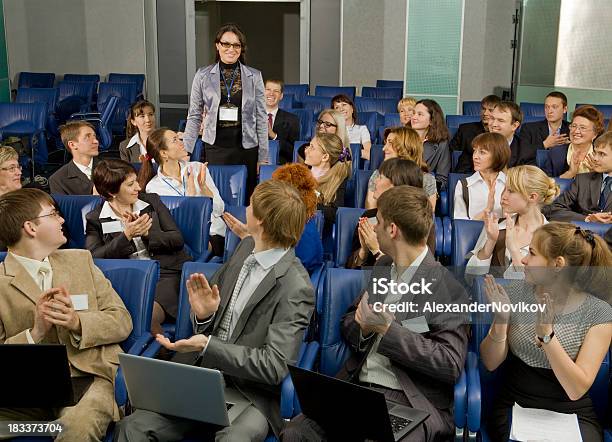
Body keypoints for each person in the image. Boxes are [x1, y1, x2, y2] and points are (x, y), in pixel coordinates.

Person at [114, 180, 315, 442]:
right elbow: (209, 312)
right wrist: (205, 315)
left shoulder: (296, 287)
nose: (245, 207)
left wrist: (209, 346)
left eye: (251, 204)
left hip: (250, 393)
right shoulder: (246, 247)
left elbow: (274, 367)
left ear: (261, 221)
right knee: (133, 427)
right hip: (201, 376)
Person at [281, 185, 469, 442]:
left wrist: (389, 330)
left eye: (378, 221)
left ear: (392, 230)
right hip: (359, 389)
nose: (374, 228)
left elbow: (450, 363)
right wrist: (365, 327)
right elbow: (349, 320)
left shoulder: (449, 288)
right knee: (295, 433)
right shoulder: (384, 265)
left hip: (409, 400)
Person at [0, 188, 132, 442]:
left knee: (74, 428)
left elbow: (122, 321)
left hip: (90, 376)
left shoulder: (81, 261)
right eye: (53, 214)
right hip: (25, 387)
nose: (62, 220)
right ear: (30, 228)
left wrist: (77, 322)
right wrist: (35, 333)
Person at [480, 222, 612, 441]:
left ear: (557, 264)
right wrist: (502, 320)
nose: (523, 260)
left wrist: (547, 337)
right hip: (517, 404)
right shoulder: (516, 292)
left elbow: (576, 389)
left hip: (573, 411)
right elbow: (490, 362)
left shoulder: (599, 314)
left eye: (531, 253)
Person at [85, 159, 192, 335]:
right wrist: (126, 236)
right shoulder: (95, 218)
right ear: (112, 192)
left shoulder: (152, 202)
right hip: (126, 279)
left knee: (146, 317)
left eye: (136, 181)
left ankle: (162, 356)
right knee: (120, 315)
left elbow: (177, 239)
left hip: (165, 274)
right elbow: (95, 257)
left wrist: (147, 234)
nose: (139, 188)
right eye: (130, 184)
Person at [182, 23, 268, 199]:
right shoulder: (202, 75)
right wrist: (186, 151)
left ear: (241, 49)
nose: (231, 49)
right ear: (217, 45)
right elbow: (194, 116)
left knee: (245, 197)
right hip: (215, 147)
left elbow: (261, 117)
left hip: (247, 147)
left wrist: (263, 157)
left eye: (236, 45)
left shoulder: (255, 76)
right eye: (226, 44)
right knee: (216, 196)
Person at [138, 127, 226, 257]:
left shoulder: (198, 168)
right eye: (175, 140)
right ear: (164, 153)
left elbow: (219, 209)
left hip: (212, 234)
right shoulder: (154, 187)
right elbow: (169, 224)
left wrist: (204, 189)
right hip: (182, 240)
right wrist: (191, 200)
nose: (181, 142)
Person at [223, 163, 324, 274]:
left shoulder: (293, 226)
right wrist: (247, 235)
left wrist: (248, 236)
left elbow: (270, 264)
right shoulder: (297, 216)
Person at [466, 165, 559, 279]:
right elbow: (470, 279)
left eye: (511, 191)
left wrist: (514, 251)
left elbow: (534, 290)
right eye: (504, 189)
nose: (503, 196)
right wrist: (490, 242)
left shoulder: (551, 239)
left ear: (532, 197)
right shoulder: (496, 225)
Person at [346, 158, 435, 268]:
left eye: (380, 177)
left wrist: (376, 250)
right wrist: (364, 250)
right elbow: (350, 269)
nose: (375, 181)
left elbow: (419, 274)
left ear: (394, 186)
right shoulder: (369, 216)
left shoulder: (420, 222)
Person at [544, 131, 612, 223]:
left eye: (602, 154)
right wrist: (587, 219)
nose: (595, 158)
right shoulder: (582, 180)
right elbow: (552, 210)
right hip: (582, 234)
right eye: (595, 152)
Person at [365, 126, 437, 210]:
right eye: (386, 143)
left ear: (406, 148)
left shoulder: (427, 180)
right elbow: (371, 214)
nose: (384, 148)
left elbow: (427, 218)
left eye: (390, 143)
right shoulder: (378, 175)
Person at [453, 132, 510, 220]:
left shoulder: (510, 183)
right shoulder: (464, 185)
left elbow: (515, 219)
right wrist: (487, 211)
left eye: (482, 152)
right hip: (474, 233)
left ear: (498, 155)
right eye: (474, 151)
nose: (475, 156)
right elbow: (460, 223)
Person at [304, 132, 352, 234]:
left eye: (312, 147)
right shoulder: (299, 173)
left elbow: (334, 213)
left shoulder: (338, 181)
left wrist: (305, 202)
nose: (306, 150)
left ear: (325, 157)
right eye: (308, 146)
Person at [544, 105, 605, 178]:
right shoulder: (555, 153)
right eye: (574, 126)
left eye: (583, 128)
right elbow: (545, 185)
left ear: (595, 134)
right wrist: (570, 173)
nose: (576, 131)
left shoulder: (603, 155)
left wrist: (596, 174)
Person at [453, 95, 502, 174]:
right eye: (483, 109)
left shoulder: (501, 133)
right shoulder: (465, 129)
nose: (485, 113)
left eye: (490, 110)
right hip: (467, 173)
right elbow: (452, 154)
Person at [410, 99, 451, 190]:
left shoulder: (441, 144)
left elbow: (442, 180)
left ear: (432, 121)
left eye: (420, 114)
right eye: (413, 113)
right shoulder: (401, 137)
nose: (414, 117)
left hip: (423, 191)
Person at [49, 121, 99, 195]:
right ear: (72, 145)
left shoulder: (112, 168)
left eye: (94, 136)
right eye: (87, 137)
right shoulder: (58, 179)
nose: (96, 141)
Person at [518, 92, 570, 163]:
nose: (549, 111)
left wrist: (570, 146)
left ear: (565, 109)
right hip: (536, 170)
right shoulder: (528, 128)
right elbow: (523, 155)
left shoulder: (572, 129)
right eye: (547, 107)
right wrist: (545, 144)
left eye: (554, 107)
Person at [264, 79, 300, 164]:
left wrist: (273, 135)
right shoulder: (250, 117)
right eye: (268, 89)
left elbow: (292, 151)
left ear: (281, 96)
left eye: (276, 91)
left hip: (279, 166)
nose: (271, 93)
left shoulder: (292, 119)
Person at [487, 101, 529, 167]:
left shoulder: (526, 152)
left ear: (514, 126)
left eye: (501, 120)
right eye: (492, 118)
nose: (494, 124)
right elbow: (466, 174)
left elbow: (527, 176)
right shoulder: (476, 144)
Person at [332, 94, 372, 160]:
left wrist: (347, 152)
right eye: (337, 107)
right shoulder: (331, 129)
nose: (341, 109)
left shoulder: (362, 129)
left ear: (352, 109)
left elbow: (369, 154)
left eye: (344, 105)